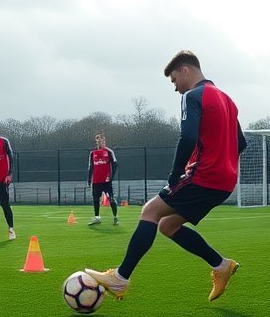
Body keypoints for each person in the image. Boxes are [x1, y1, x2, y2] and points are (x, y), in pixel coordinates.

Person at [86, 50, 245, 302]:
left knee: (150, 211)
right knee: (167, 225)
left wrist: (176, 174)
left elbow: (188, 136)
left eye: (173, 81)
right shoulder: (228, 100)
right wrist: (222, 163)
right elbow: (241, 143)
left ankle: (120, 279)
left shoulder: (194, 95)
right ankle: (221, 265)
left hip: (205, 176)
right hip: (225, 181)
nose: (175, 88)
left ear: (185, 70)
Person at [87, 132, 120, 226]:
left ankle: (115, 217)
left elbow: (115, 165)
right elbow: (91, 167)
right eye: (98, 140)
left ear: (104, 140)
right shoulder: (92, 153)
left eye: (102, 140)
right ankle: (97, 218)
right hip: (96, 181)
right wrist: (89, 179)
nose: (100, 142)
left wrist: (111, 177)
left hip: (106, 181)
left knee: (111, 198)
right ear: (96, 141)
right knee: (96, 198)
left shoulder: (109, 152)